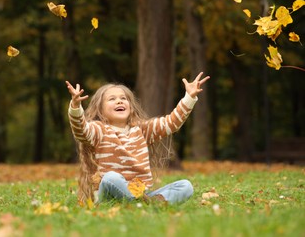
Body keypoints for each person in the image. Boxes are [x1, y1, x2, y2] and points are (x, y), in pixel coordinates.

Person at [66, 72, 210, 205]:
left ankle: (141, 203)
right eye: (112, 99)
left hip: (142, 193)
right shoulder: (99, 130)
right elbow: (80, 129)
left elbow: (171, 123)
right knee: (111, 178)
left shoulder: (142, 130)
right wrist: (75, 107)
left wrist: (189, 97)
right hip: (110, 197)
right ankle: (146, 204)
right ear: (100, 110)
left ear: (131, 107)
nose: (119, 101)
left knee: (185, 186)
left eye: (123, 98)